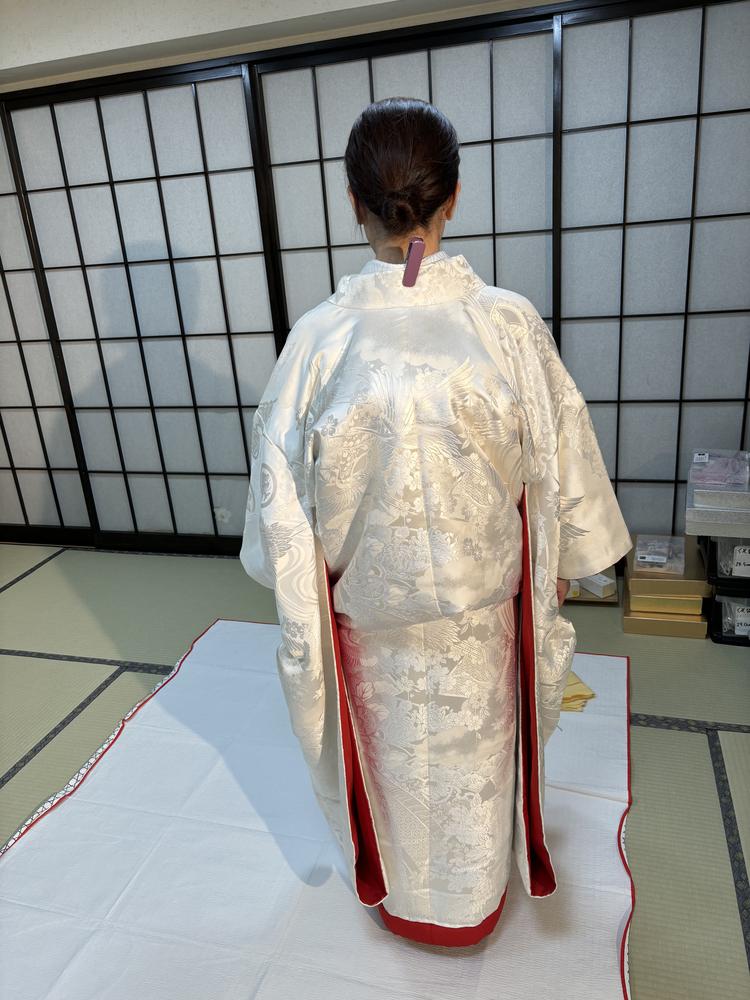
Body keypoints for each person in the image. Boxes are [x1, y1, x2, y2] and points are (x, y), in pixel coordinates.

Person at [239, 97, 632, 947]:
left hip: (367, 627)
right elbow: (561, 460)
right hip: (482, 623)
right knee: (473, 766)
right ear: (453, 196)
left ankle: (406, 901)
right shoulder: (507, 324)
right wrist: (563, 563)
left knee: (396, 774)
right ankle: (476, 901)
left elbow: (280, 513)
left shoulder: (317, 342)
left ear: (354, 202)